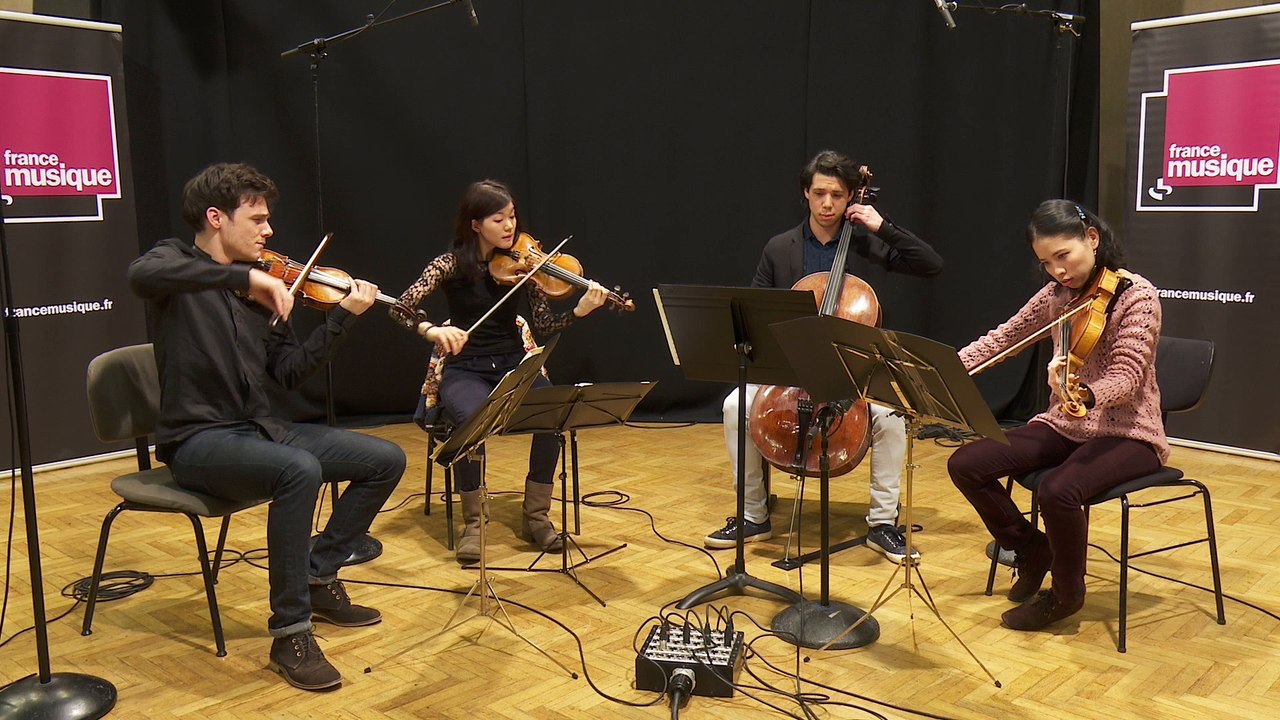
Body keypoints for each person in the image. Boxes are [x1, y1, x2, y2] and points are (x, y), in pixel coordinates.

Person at [128, 162, 406, 691]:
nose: (269, 230)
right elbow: (140, 276)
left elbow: (289, 373)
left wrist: (341, 317)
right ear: (216, 217)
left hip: (258, 429)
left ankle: (320, 575)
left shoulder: (263, 290)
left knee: (384, 459)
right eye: (256, 218)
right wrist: (244, 275)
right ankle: (290, 633)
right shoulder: (173, 261)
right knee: (298, 471)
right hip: (198, 440)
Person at [704, 149, 943, 562]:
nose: (828, 204)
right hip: (790, 367)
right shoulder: (780, 249)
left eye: (837, 194)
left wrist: (882, 226)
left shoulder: (868, 244)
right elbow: (756, 309)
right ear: (806, 194)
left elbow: (931, 264)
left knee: (889, 416)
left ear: (852, 196)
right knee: (734, 406)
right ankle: (753, 515)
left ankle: (883, 523)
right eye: (819, 194)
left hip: (857, 369)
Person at [948, 199, 1166, 631]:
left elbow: (1126, 375)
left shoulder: (1136, 296)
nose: (1058, 271)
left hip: (1129, 433)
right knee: (966, 464)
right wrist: (945, 368)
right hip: (1067, 423)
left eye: (1063, 256)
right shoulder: (1058, 296)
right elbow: (1003, 337)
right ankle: (1031, 548)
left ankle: (1066, 596)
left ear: (1092, 238)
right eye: (1047, 263)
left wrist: (1085, 392)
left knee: (1058, 491)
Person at [392, 179, 607, 564]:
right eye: (498, 219)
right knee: (473, 422)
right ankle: (473, 522)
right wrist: (431, 329)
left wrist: (579, 311)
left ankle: (536, 516)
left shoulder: (526, 267)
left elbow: (543, 324)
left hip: (514, 364)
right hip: (466, 369)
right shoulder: (450, 264)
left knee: (553, 416)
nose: (510, 227)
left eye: (511, 217)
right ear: (475, 224)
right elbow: (401, 306)